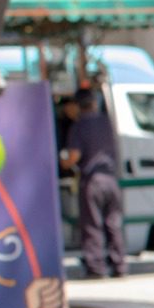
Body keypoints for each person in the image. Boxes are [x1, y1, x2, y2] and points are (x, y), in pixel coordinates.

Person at [60, 86, 124, 279]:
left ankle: (96, 268)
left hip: (92, 180)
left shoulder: (79, 127)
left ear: (77, 106)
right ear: (94, 103)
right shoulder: (107, 122)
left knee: (92, 225)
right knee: (113, 223)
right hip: (111, 179)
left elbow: (73, 156)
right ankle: (119, 265)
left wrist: (64, 162)